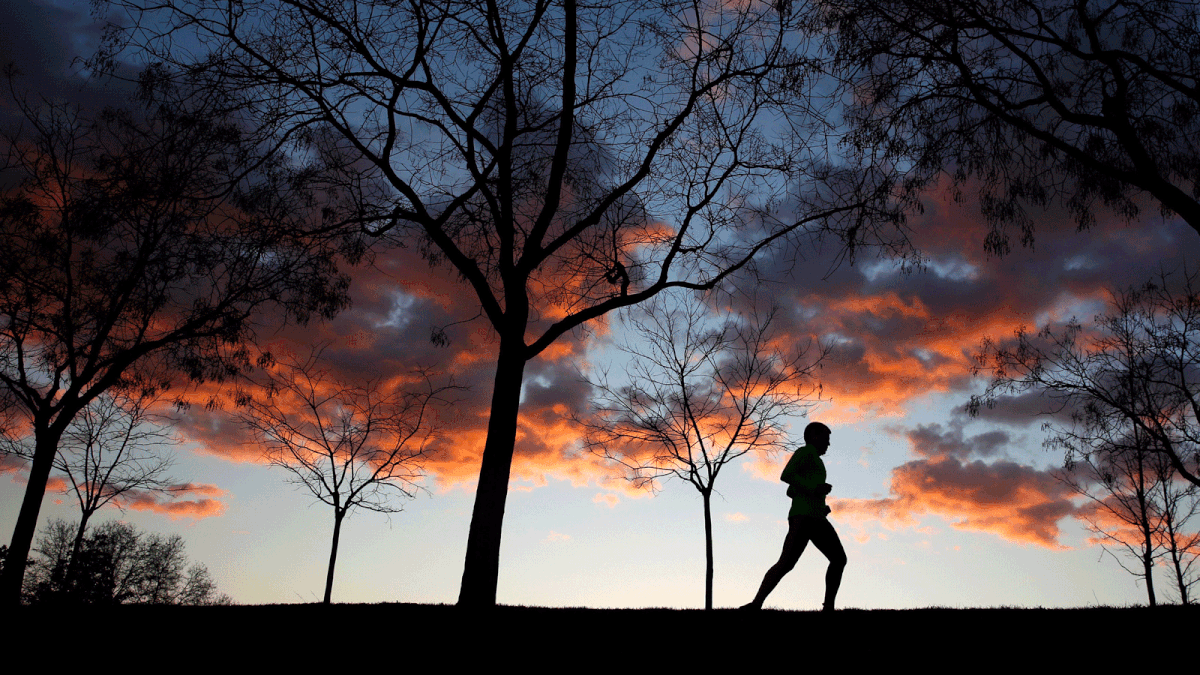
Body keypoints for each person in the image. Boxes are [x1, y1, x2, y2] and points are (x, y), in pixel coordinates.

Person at [741, 421, 847, 611]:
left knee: (830, 559)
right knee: (791, 563)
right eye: (825, 439)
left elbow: (792, 491)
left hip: (813, 516)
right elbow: (787, 475)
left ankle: (757, 604)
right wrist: (815, 489)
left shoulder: (814, 459)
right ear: (814, 436)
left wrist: (820, 503)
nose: (828, 444)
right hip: (805, 518)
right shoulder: (805, 453)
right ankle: (756, 604)